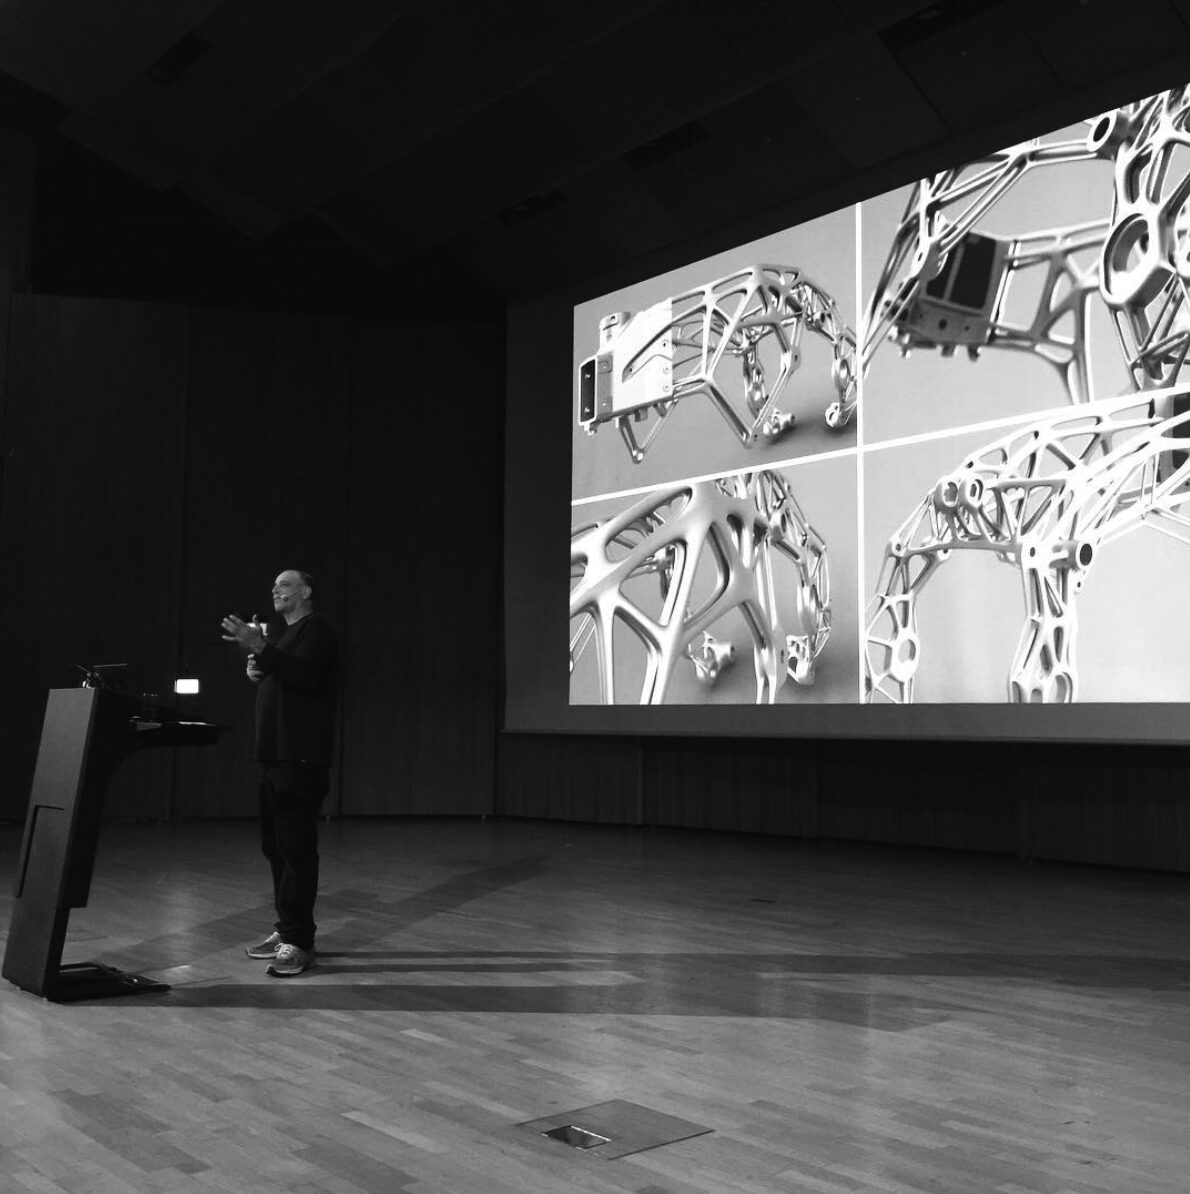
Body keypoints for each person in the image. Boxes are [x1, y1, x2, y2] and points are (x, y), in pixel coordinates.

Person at [220, 569, 338, 977]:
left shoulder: (318, 628)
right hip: (273, 757)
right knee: (276, 847)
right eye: (273, 585)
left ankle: (300, 942)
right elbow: (284, 671)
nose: (275, 589)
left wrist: (260, 648)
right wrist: (258, 668)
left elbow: (306, 675)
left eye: (285, 584)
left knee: (296, 848)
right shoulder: (285, 636)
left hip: (300, 757)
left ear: (306, 591)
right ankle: (287, 928)